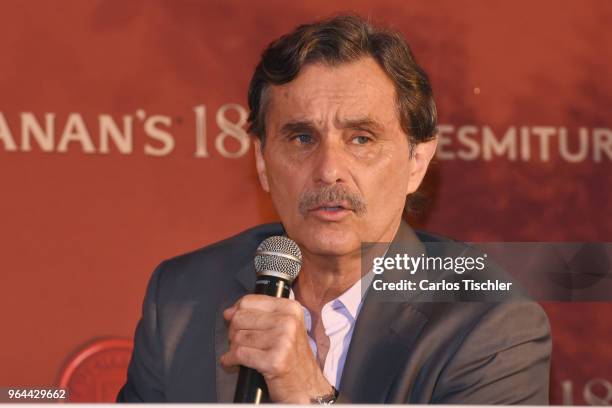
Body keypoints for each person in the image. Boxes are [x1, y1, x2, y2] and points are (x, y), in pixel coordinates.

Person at [117, 14, 551, 404]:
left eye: (361, 138)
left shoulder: (490, 327)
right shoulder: (182, 298)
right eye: (302, 138)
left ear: (416, 163)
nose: (328, 171)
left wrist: (308, 394)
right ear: (263, 163)